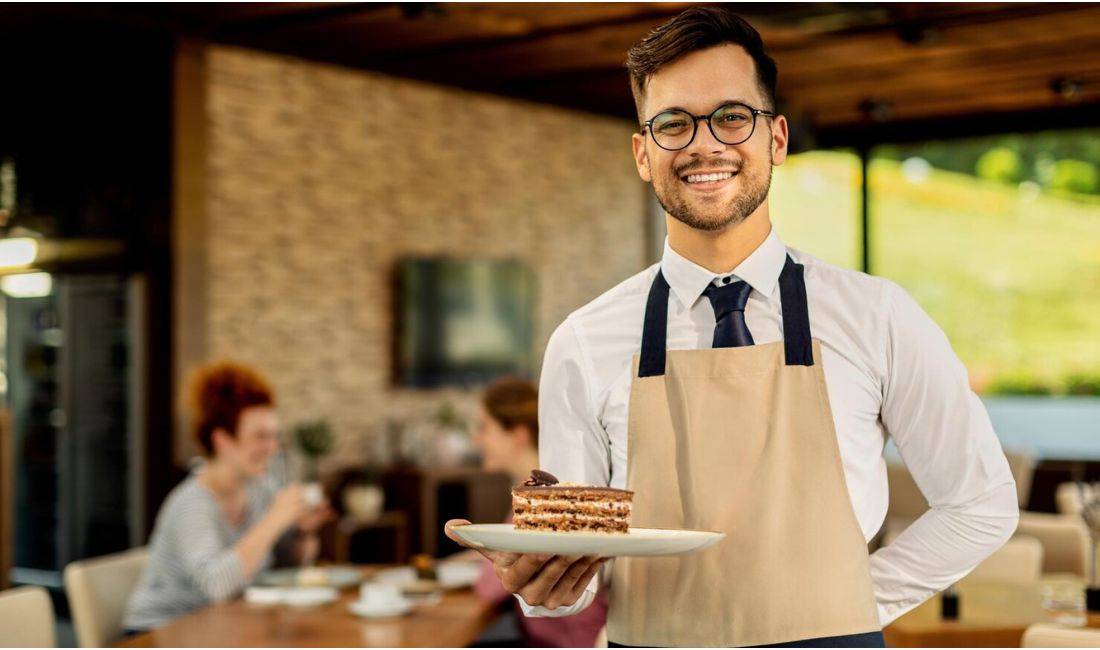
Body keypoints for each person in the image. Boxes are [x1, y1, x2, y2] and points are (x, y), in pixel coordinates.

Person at [448, 7, 1019, 647]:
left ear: (775, 138)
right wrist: (547, 584)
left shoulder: (877, 316)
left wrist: (853, 601)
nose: (703, 144)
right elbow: (575, 568)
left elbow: (980, 503)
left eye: (731, 116)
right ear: (643, 153)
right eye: (672, 123)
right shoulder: (583, 342)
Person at [123, 361, 333, 631]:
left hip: (221, 629)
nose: (272, 447)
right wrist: (275, 520)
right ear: (222, 440)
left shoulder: (261, 489)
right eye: (260, 436)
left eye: (274, 436)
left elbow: (283, 566)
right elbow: (217, 587)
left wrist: (304, 532)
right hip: (160, 634)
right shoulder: (191, 503)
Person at [468, 376, 608, 647]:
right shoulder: (549, 485)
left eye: (484, 427)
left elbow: (488, 587)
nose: (476, 439)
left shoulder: (541, 502)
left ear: (518, 435)